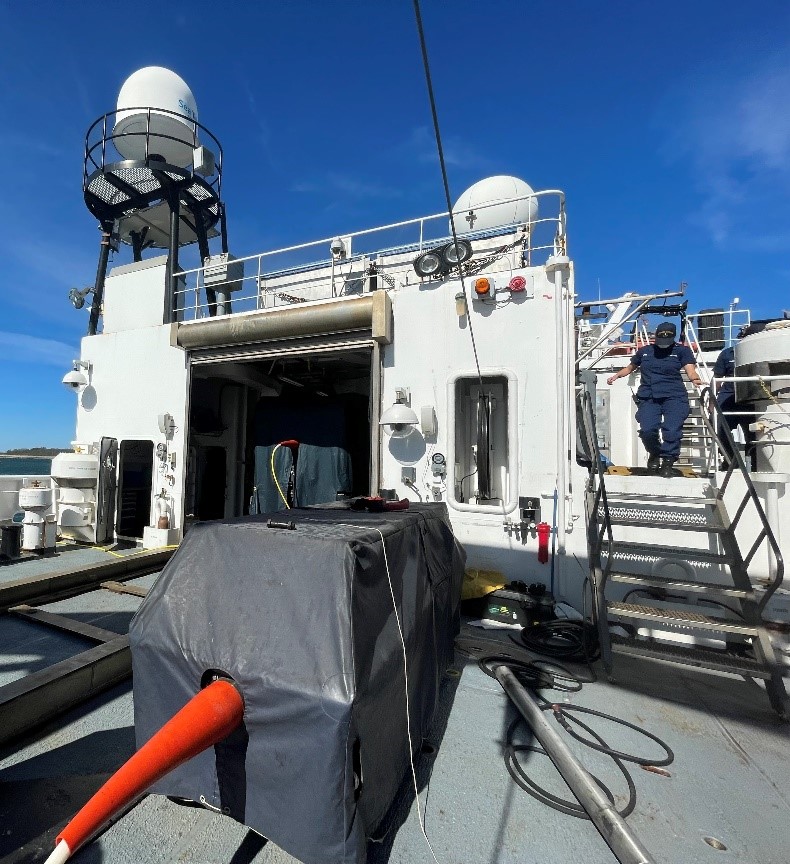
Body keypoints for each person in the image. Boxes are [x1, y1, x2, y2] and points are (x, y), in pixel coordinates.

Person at [607, 321, 703, 477]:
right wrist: (617, 376)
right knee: (647, 430)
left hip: (674, 396)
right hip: (649, 396)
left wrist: (695, 379)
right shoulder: (644, 351)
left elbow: (690, 370)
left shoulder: (682, 351)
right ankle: (655, 452)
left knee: (671, 430)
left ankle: (667, 462)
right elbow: (631, 367)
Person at [712, 332, 755, 470]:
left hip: (752, 398)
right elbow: (717, 378)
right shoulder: (727, 354)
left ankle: (756, 461)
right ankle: (730, 459)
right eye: (743, 336)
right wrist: (712, 401)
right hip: (728, 396)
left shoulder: (760, 351)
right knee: (719, 429)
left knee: (754, 434)